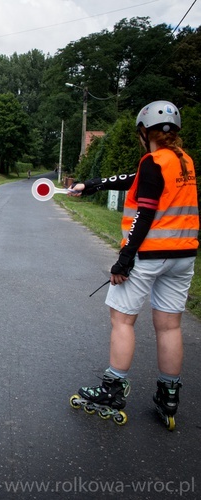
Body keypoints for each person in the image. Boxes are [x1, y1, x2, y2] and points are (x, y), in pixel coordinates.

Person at [68, 101, 198, 429]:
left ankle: (112, 389)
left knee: (122, 320)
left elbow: (146, 211)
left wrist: (124, 259)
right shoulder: (182, 161)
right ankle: (169, 394)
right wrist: (93, 184)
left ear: (144, 131)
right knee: (169, 326)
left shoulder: (154, 162)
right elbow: (133, 180)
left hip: (149, 255)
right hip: (182, 257)